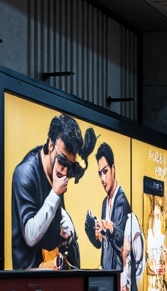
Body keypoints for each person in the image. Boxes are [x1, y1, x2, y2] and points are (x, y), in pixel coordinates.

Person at [11, 112, 97, 270]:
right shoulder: (25, 174)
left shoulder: (56, 168)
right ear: (50, 145)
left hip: (53, 272)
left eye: (69, 165)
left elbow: (52, 209)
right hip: (29, 279)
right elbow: (30, 235)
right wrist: (55, 194)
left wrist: (65, 222)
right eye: (62, 161)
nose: (64, 172)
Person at [85, 142, 130, 272]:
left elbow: (123, 244)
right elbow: (102, 244)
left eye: (105, 171)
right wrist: (97, 233)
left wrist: (110, 228)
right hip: (106, 272)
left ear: (113, 169)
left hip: (119, 275)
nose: (103, 179)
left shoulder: (121, 201)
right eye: (100, 173)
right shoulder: (105, 202)